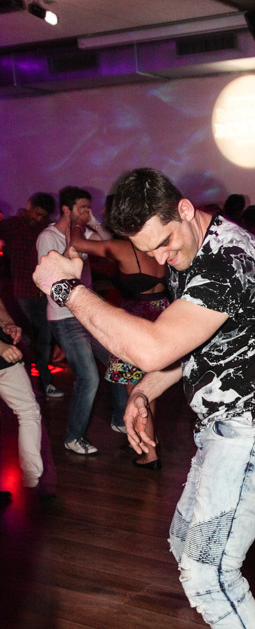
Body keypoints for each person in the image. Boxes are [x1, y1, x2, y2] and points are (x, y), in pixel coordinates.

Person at [33, 167, 255, 629]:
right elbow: (189, 347)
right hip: (226, 426)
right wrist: (141, 393)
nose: (161, 258)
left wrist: (66, 290)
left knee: (210, 573)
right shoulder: (192, 249)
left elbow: (154, 345)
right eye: (149, 250)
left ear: (185, 209)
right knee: (189, 548)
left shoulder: (228, 259)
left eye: (164, 243)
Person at [69, 227, 169, 469]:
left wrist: (80, 222)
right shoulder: (155, 243)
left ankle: (150, 455)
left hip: (135, 322)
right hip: (162, 315)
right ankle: (149, 442)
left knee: (137, 392)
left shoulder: (123, 247)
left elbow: (77, 243)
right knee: (149, 391)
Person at [36, 186, 124, 455]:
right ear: (66, 209)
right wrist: (70, 243)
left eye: (88, 207)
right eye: (82, 208)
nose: (87, 211)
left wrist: (94, 223)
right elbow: (51, 277)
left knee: (118, 361)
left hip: (87, 313)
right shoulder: (48, 237)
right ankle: (73, 437)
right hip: (65, 317)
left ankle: (120, 419)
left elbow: (110, 245)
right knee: (89, 378)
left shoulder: (84, 233)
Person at [0, 192, 63, 399]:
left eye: (43, 215)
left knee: (44, 340)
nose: (39, 218)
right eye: (37, 213)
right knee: (24, 340)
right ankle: (27, 387)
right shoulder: (11, 225)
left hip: (41, 293)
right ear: (28, 206)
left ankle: (44, 384)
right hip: (21, 293)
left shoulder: (45, 228)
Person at [0, 296, 44, 492]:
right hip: (3, 351)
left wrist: (7, 323)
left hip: (4, 356)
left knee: (28, 411)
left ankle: (31, 480)